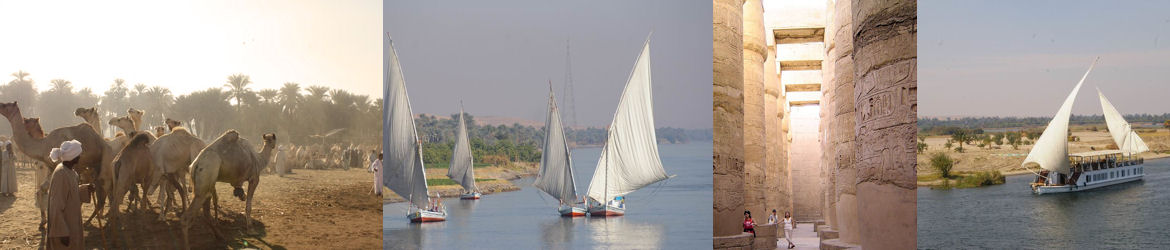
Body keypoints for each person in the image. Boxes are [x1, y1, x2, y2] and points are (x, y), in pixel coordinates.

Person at [46, 140, 88, 250]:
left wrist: (86, 189)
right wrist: (61, 232)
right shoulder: (61, 174)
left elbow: (71, 193)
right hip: (65, 226)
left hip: (71, 222)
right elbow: (56, 205)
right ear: (73, 157)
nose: (80, 156)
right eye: (78, 154)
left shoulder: (70, 172)